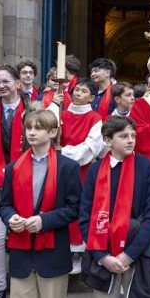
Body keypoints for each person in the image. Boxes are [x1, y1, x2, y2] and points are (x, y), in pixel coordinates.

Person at [0, 110, 82, 298]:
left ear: (53, 133)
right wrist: (10, 217)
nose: (32, 132)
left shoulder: (68, 167)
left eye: (38, 128)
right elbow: (4, 205)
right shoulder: (14, 167)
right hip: (21, 255)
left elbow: (75, 208)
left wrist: (44, 221)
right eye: (28, 128)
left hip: (53, 254)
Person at [79, 116, 150, 298]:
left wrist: (129, 255)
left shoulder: (145, 167)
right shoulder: (95, 170)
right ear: (108, 140)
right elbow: (86, 216)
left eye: (133, 135)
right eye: (124, 136)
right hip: (103, 251)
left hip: (136, 252)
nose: (131, 140)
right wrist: (102, 257)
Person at [0, 64, 36, 298]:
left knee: (24, 233)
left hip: (27, 182)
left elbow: (37, 146)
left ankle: (23, 283)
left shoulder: (32, 109)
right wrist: (1, 176)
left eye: (5, 81)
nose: (0, 86)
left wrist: (19, 176)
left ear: (17, 83)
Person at [58, 80, 104, 270]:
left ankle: (78, 252)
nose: (78, 93)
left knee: (79, 207)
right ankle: (63, 249)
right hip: (60, 171)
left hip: (82, 171)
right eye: (76, 89)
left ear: (92, 98)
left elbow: (90, 149)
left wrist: (63, 152)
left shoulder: (95, 119)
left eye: (83, 91)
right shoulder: (61, 113)